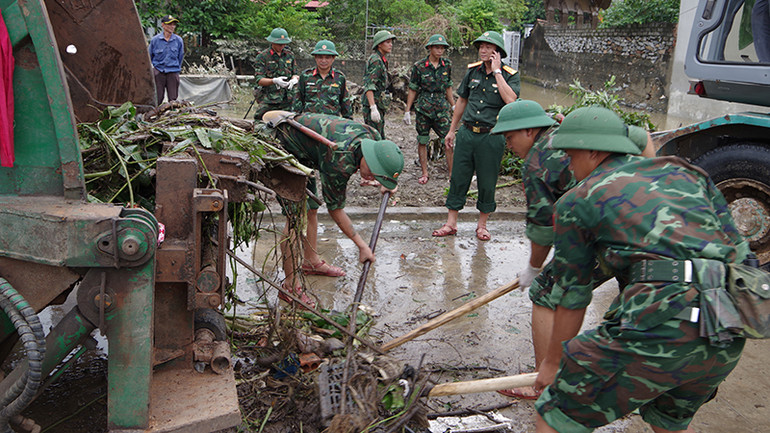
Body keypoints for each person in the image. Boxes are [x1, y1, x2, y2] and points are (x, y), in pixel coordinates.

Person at [531, 106, 750, 432]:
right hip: (727, 328)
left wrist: (552, 364)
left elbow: (572, 297)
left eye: (571, 156)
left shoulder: (578, 200)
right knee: (668, 421)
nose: (569, 166)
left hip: (659, 330)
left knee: (554, 414)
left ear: (594, 152)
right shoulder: (685, 172)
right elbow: (739, 252)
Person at [489, 100, 656, 400]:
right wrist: (648, 177)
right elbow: (642, 137)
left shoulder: (536, 164)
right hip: (649, 225)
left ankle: (543, 380)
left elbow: (543, 231)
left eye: (510, 137)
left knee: (545, 292)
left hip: (607, 233)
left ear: (529, 131)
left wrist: (533, 269)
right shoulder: (578, 129)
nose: (508, 146)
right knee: (636, 301)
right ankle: (648, 381)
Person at [269, 112, 404, 308]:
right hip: (283, 146)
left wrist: (386, 181)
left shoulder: (373, 137)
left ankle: (310, 261)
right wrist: (362, 246)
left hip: (308, 151)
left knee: (311, 207)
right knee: (296, 218)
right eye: (374, 173)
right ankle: (289, 286)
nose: (372, 178)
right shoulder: (341, 160)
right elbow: (336, 211)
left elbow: (384, 162)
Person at [432, 30, 519, 241]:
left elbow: (511, 100)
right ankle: (451, 223)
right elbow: (462, 100)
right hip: (467, 134)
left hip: (491, 137)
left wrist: (497, 72)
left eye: (488, 47)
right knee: (458, 177)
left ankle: (482, 226)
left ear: (497, 52)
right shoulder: (473, 71)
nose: (483, 50)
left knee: (487, 181)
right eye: (481, 46)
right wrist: (452, 130)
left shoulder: (510, 75)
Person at [403, 34, 456, 184]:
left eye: (442, 48)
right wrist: (407, 110)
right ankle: (424, 173)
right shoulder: (419, 66)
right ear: (430, 48)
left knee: (448, 140)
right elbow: (413, 88)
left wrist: (453, 105)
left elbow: (448, 87)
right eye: (437, 47)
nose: (440, 50)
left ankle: (452, 174)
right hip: (424, 108)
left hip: (441, 108)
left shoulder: (447, 65)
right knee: (423, 140)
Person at [292, 40, 352, 118]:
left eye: (327, 57)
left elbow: (345, 105)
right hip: (310, 122)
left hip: (332, 122)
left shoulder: (339, 78)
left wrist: (348, 122)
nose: (323, 61)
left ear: (333, 58)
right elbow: (298, 103)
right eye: (320, 57)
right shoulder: (306, 76)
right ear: (315, 58)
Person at [253, 28, 298, 121]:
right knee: (261, 121)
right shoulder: (263, 57)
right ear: (272, 42)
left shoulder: (289, 55)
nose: (282, 46)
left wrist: (294, 80)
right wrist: (274, 81)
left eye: (284, 44)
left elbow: (295, 73)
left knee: (288, 122)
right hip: (269, 99)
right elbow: (259, 80)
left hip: (287, 99)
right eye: (279, 44)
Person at [362, 30, 396, 138]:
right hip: (373, 104)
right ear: (379, 44)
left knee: (379, 136)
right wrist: (373, 107)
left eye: (391, 42)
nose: (390, 45)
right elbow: (369, 85)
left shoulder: (381, 59)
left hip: (378, 103)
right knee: (375, 137)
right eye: (387, 42)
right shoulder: (376, 60)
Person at [149, 15, 184, 105]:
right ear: (163, 25)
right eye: (169, 24)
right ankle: (155, 113)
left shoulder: (178, 40)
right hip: (159, 72)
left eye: (174, 24)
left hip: (173, 72)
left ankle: (172, 113)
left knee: (173, 100)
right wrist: (155, 71)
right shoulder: (155, 40)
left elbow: (180, 57)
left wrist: (176, 70)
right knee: (157, 98)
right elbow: (149, 57)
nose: (172, 27)